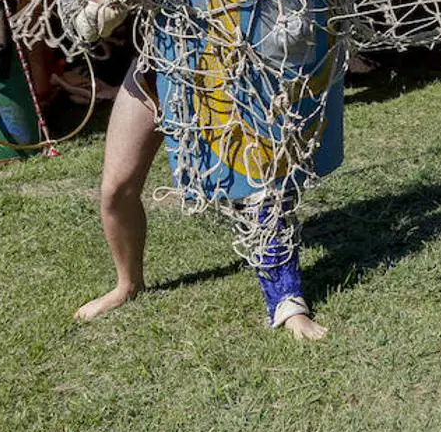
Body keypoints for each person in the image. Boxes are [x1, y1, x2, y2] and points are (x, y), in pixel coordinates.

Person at [74, 55, 328, 339]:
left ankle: (288, 301)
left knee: (257, 178)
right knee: (116, 189)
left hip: (231, 58)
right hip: (159, 56)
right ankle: (128, 284)